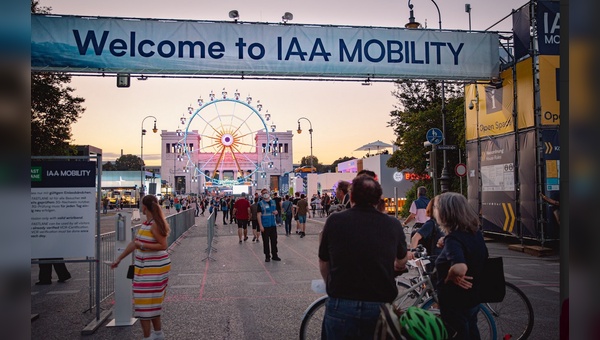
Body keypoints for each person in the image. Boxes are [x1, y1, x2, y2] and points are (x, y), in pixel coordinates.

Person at [319, 175, 407, 339]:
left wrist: (330, 284)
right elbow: (401, 259)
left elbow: (324, 260)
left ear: (351, 196)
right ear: (378, 199)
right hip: (379, 306)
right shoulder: (392, 224)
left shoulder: (335, 221)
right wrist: (397, 265)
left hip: (341, 302)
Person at [111, 194, 171, 340]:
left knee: (144, 302)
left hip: (153, 268)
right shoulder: (147, 224)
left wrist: (142, 245)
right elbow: (134, 243)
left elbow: (163, 245)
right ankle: (157, 334)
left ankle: (147, 336)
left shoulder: (154, 224)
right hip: (146, 267)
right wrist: (119, 258)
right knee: (150, 301)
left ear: (144, 207)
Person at [433, 192, 488, 340]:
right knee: (472, 330)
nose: (434, 211)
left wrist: (450, 276)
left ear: (446, 213)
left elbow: (460, 267)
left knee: (458, 334)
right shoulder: (475, 233)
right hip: (473, 296)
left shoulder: (454, 239)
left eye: (437, 207)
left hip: (455, 300)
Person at [257, 188, 280, 262]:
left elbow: (276, 210)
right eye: (264, 193)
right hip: (265, 225)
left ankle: (275, 255)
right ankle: (267, 256)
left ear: (269, 193)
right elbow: (258, 215)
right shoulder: (260, 204)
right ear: (262, 195)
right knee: (266, 241)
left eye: (266, 192)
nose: (265, 194)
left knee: (274, 241)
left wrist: (276, 212)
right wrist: (260, 225)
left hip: (273, 224)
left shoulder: (273, 202)